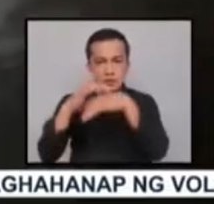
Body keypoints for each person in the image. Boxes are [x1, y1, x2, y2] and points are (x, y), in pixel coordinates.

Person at [36, 28, 169, 165]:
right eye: (100, 62)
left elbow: (158, 152)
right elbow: (47, 155)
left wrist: (127, 105)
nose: (109, 71)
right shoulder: (73, 102)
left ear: (127, 65)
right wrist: (68, 108)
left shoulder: (144, 101)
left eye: (117, 61)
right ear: (90, 67)